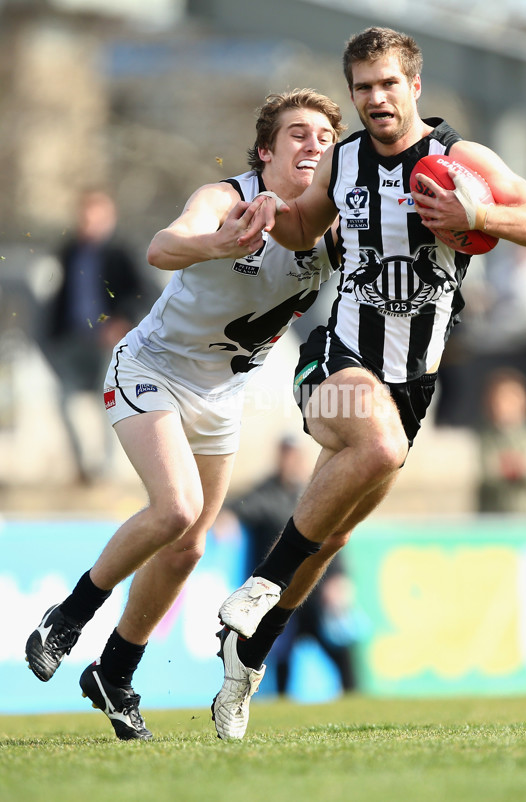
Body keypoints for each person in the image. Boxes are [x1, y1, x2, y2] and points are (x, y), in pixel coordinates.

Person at [214, 25, 526, 738]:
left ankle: (247, 657)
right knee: (375, 447)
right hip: (337, 360)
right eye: (363, 87)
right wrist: (271, 216)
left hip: (413, 384)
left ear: (414, 85)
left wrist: (480, 215)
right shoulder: (342, 162)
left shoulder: (457, 160)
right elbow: (304, 226)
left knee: (333, 536)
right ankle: (255, 588)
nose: (376, 99)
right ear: (354, 93)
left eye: (387, 84)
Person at [24, 89, 347, 741]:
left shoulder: (336, 221)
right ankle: (69, 615)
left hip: (220, 397)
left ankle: (115, 670)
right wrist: (214, 242)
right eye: (298, 135)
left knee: (190, 546)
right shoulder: (229, 198)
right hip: (151, 370)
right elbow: (163, 246)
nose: (314, 145)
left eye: (324, 138)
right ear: (266, 150)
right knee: (174, 509)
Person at [218, 435, 357, 696]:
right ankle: (279, 703)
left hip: (314, 592)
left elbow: (334, 538)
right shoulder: (266, 494)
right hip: (277, 593)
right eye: (285, 453)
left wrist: (338, 577)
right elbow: (239, 507)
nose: (290, 460)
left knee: (341, 649)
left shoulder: (312, 492)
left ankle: (355, 699)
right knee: (280, 658)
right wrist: (227, 517)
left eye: (294, 454)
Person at [41, 189, 148, 483]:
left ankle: (106, 470)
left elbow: (143, 293)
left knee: (109, 400)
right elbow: (58, 297)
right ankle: (82, 468)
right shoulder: (68, 251)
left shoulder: (122, 252)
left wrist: (121, 323)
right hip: (74, 344)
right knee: (62, 399)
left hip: (109, 345)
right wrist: (51, 337)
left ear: (108, 217)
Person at [477, 367, 526, 514]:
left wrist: (520, 467)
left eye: (511, 399)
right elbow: (489, 471)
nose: (505, 406)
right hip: (493, 517)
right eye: (500, 400)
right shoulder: (485, 436)